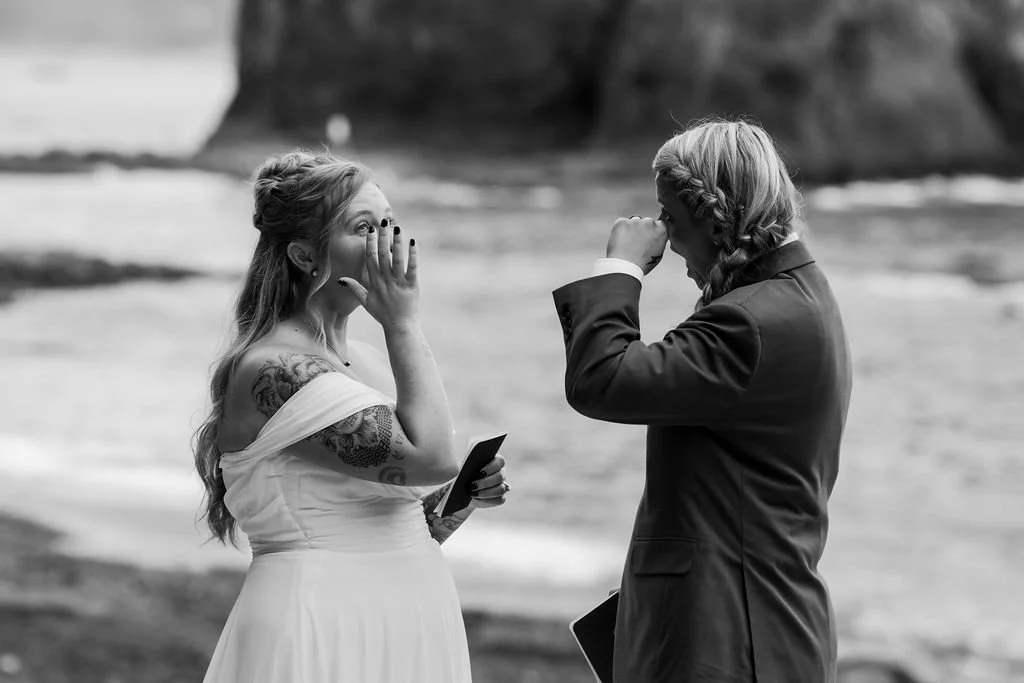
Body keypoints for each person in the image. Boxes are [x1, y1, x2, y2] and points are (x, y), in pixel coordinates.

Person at [553, 119, 853, 683]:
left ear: (715, 215)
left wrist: (620, 267)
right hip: (749, 628)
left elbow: (603, 379)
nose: (662, 236)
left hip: (730, 639)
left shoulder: (750, 321)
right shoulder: (795, 298)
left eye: (668, 214)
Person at [193, 150, 510, 683]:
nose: (387, 241)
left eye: (389, 223)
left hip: (411, 615)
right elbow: (433, 457)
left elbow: (406, 518)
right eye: (364, 227)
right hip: (321, 618)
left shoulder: (362, 360)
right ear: (304, 254)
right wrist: (403, 322)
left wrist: (462, 500)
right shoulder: (275, 369)